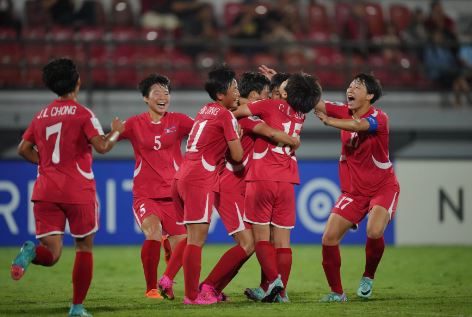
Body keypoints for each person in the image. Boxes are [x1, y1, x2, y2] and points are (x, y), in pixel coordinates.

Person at [11, 58, 124, 317]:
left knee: (51, 253)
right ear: (78, 82)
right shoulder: (84, 113)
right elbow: (103, 147)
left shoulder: (41, 115)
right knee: (83, 248)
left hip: (45, 190)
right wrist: (116, 131)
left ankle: (29, 251)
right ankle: (76, 308)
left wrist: (48, 164)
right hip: (77, 191)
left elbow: (22, 149)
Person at [197, 71, 300, 302]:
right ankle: (207, 287)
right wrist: (293, 139)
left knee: (262, 242)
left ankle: (257, 288)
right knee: (249, 243)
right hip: (231, 187)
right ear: (254, 96)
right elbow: (272, 131)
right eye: (266, 95)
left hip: (248, 187)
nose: (271, 100)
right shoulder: (249, 119)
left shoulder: (255, 112)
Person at [233, 72, 322, 302]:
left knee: (262, 238)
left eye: (285, 85)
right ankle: (282, 294)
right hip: (287, 180)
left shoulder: (269, 105)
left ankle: (274, 282)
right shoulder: (302, 113)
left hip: (262, 177)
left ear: (284, 92)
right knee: (283, 242)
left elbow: (238, 110)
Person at [313, 73, 400, 302]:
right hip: (354, 192)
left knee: (373, 231)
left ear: (369, 95)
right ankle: (337, 293)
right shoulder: (343, 110)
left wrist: (328, 121)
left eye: (358, 87)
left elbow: (358, 125)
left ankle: (368, 276)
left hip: (383, 187)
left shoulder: (379, 118)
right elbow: (315, 101)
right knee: (328, 237)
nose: (350, 89)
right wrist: (286, 84)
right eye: (350, 85)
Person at [165, 64, 243, 305]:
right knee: (196, 241)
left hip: (181, 177)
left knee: (190, 238)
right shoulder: (226, 115)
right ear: (221, 95)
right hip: (199, 178)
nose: (238, 92)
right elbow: (238, 156)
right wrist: (238, 138)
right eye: (234, 88)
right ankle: (191, 296)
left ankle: (173, 281)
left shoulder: (204, 110)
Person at [117, 74, 191, 299]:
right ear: (145, 98)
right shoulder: (133, 124)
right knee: (152, 234)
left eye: (166, 93)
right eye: (157, 93)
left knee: (185, 244)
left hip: (174, 195)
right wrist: (110, 133)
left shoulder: (178, 120)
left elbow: (203, 131)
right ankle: (151, 289)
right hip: (146, 195)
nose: (163, 97)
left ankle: (166, 281)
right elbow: (103, 141)